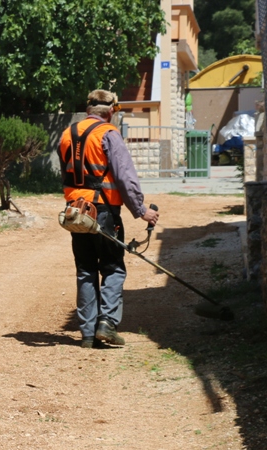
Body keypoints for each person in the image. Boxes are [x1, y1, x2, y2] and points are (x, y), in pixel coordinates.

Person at [58, 90, 159, 348]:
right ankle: (107, 324)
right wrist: (141, 210)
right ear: (111, 111)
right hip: (103, 212)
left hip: (76, 212)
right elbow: (124, 176)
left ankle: (88, 334)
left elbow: (66, 173)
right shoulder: (109, 134)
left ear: (88, 108)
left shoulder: (67, 134)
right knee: (113, 267)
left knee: (85, 270)